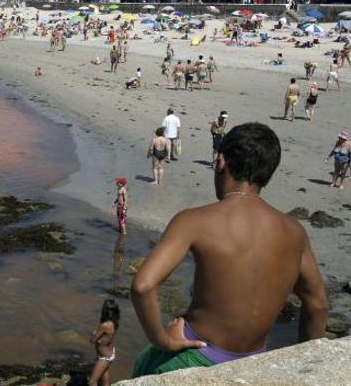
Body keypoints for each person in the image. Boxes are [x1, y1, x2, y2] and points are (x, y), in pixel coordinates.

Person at [131, 123, 327, 377]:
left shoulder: (195, 220)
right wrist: (305, 370)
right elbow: (318, 305)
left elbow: (143, 286)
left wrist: (163, 341)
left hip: (194, 356)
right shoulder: (294, 231)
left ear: (221, 160)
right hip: (251, 365)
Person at [89, 299, 121, 386]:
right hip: (108, 354)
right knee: (104, 379)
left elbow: (92, 340)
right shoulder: (114, 323)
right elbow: (106, 338)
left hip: (104, 357)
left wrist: (94, 334)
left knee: (92, 382)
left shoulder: (105, 325)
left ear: (104, 310)